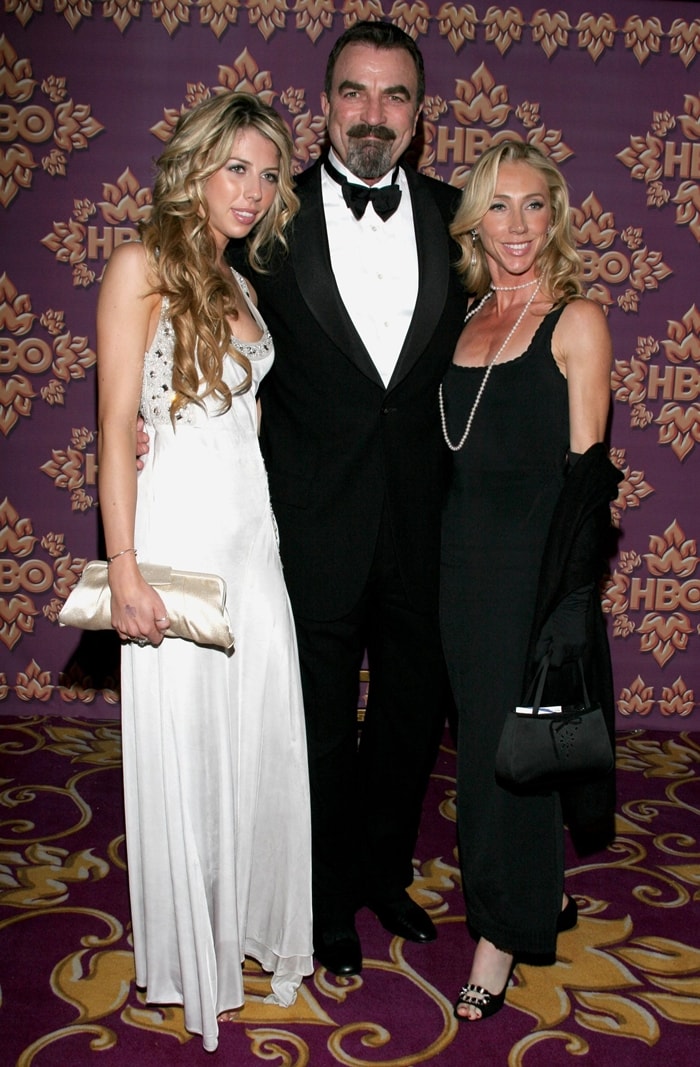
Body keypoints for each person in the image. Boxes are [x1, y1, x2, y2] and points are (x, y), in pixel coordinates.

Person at [225, 21, 466, 977]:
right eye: (355, 93)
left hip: (426, 523)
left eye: (395, 96)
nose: (374, 114)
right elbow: (202, 320)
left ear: (418, 115)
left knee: (410, 717)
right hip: (309, 523)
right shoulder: (267, 218)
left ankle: (382, 872)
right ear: (324, 105)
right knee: (316, 726)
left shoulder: (458, 216)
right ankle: (323, 901)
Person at [97, 92, 313, 1051]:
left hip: (250, 548)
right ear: (192, 166)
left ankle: (243, 934)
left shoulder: (244, 287)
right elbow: (112, 426)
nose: (254, 190)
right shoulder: (140, 267)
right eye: (237, 168)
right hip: (176, 545)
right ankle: (191, 954)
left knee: (256, 742)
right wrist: (126, 566)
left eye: (269, 175)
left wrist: (267, 543)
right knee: (189, 753)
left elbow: (244, 427)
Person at [438, 140, 622, 1020]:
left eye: (534, 204)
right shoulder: (466, 320)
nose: (517, 225)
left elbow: (588, 480)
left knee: (502, 763)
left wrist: (571, 604)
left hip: (530, 576)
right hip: (457, 573)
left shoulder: (575, 320)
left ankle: (499, 936)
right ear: (477, 219)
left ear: (556, 214)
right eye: (498, 206)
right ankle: (535, 892)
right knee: (483, 743)